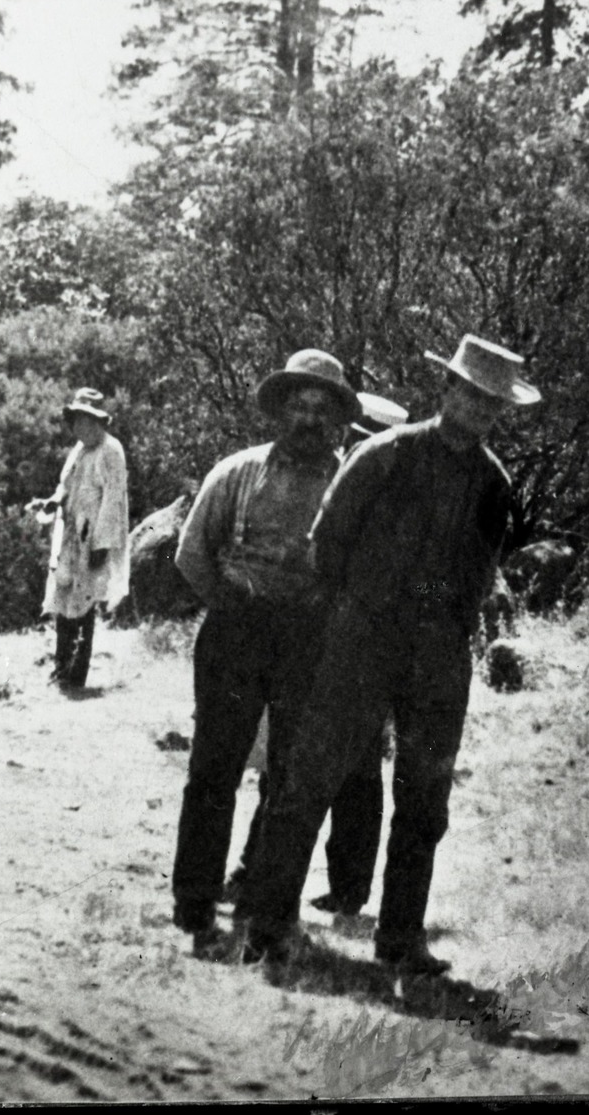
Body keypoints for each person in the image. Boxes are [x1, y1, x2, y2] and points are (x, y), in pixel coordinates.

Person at [237, 335, 536, 975]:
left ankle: (401, 938)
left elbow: (479, 576)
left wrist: (433, 604)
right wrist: (368, 606)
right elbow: (326, 546)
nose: (479, 409)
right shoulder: (384, 455)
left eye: (492, 403)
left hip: (439, 656)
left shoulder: (493, 482)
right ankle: (268, 923)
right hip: (361, 641)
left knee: (426, 799)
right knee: (311, 778)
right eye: (471, 394)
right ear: (447, 390)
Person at [167, 349, 362, 946]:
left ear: (334, 417)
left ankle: (266, 905)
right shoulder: (238, 472)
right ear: (280, 411)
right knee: (213, 770)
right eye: (297, 405)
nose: (307, 418)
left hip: (307, 641)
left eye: (319, 408)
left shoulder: (349, 484)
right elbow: (192, 552)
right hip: (236, 631)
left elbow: (358, 571)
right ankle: (195, 901)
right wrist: (230, 606)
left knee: (289, 779)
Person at [225, 389, 408, 919]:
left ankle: (345, 887)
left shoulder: (388, 497)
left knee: (354, 771)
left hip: (359, 644)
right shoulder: (332, 481)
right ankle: (259, 871)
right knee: (289, 761)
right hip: (312, 639)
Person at [34, 389, 129, 690]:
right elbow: (65, 485)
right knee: (63, 597)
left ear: (98, 422)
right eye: (76, 421)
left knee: (84, 604)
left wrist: (102, 543)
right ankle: (60, 665)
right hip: (71, 532)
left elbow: (113, 500)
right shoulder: (79, 450)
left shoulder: (111, 450)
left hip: (92, 535)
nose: (79, 427)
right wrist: (54, 501)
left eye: (86, 420)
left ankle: (77, 671)